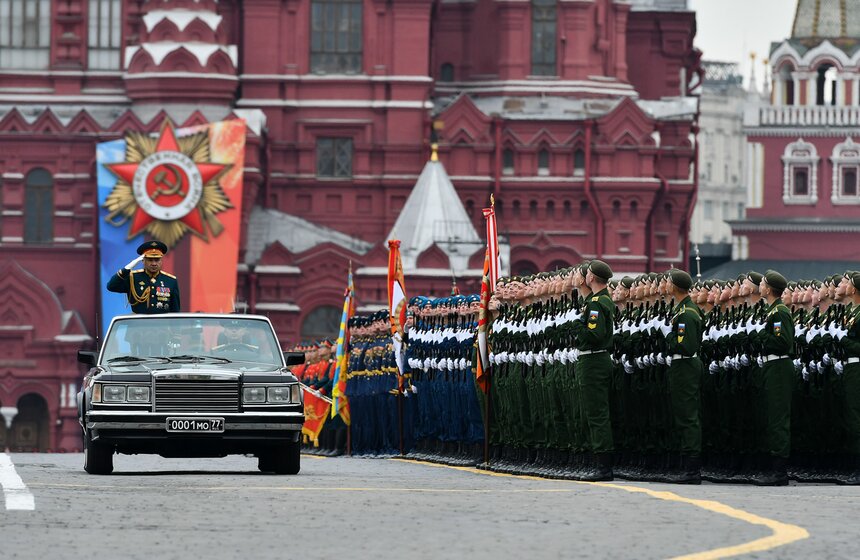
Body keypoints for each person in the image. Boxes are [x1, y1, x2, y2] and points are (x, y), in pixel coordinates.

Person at [571, 259, 615, 481]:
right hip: (595, 360)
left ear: (592, 278)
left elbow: (594, 335)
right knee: (595, 412)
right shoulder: (598, 300)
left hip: (594, 361)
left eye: (586, 274)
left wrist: (577, 324)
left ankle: (603, 466)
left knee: (597, 413)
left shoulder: (597, 303)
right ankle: (600, 462)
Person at [663, 269, 704, 484]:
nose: (666, 284)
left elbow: (685, 345)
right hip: (681, 365)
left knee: (688, 416)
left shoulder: (687, 313)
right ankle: (686, 465)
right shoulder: (681, 310)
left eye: (669, 281)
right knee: (682, 414)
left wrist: (668, 336)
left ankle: (692, 469)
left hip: (686, 364)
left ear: (675, 286)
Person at [754, 269, 794, 486]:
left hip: (779, 365)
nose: (759, 286)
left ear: (768, 289)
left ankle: (779, 471)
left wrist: (760, 335)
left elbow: (782, 342)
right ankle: (774, 467)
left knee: (778, 418)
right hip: (772, 365)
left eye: (762, 284)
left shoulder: (779, 312)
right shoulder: (772, 311)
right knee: (772, 416)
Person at [106, 240, 181, 313]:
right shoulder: (133, 278)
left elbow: (175, 311)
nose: (154, 263)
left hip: (162, 324)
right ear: (143, 260)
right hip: (138, 324)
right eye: (150, 260)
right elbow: (111, 286)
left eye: (157, 260)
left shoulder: (171, 281)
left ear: (161, 260)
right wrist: (127, 268)